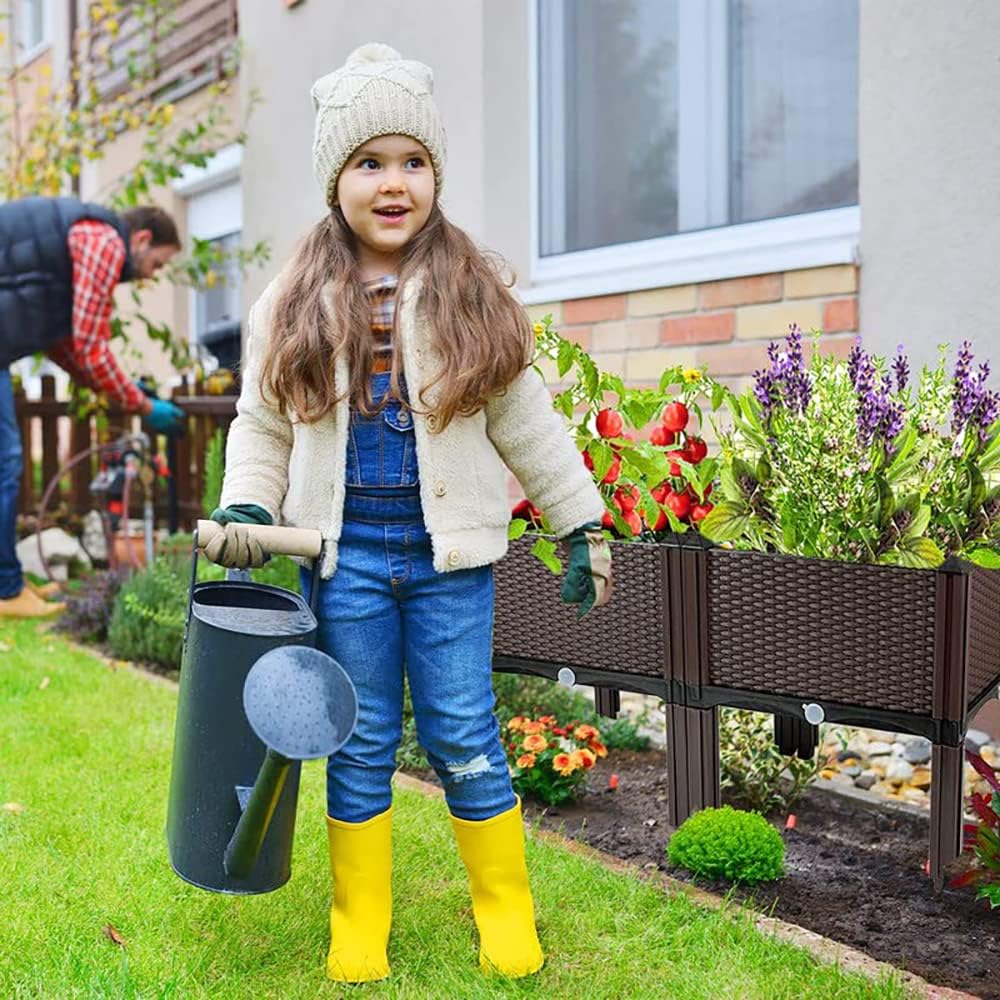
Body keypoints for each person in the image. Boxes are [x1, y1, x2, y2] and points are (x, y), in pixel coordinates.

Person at [206, 43, 612, 982]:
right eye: (369, 163)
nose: (395, 183)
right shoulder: (290, 302)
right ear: (334, 179)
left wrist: (576, 522)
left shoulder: (473, 292)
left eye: (413, 161)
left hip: (448, 561)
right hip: (343, 555)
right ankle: (359, 919)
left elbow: (526, 419)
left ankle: (504, 908)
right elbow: (263, 423)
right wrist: (246, 503)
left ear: (435, 173)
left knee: (463, 729)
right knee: (356, 739)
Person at [0, 198, 187, 617]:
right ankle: (6, 591)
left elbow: (65, 347)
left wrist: (124, 391)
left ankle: (7, 580)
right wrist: (142, 405)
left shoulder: (79, 243)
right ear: (141, 239)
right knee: (5, 461)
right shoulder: (104, 241)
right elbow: (90, 346)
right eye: (156, 263)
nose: (151, 275)